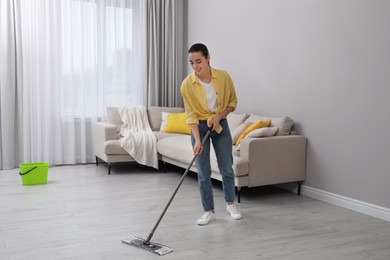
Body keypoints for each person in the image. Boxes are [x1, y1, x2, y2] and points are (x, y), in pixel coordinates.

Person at [180, 43, 242, 225]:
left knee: (226, 168)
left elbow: (232, 102)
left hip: (220, 126)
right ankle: (209, 211)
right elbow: (190, 115)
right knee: (203, 171)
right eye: (191, 63)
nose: (195, 66)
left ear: (208, 58)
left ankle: (231, 203)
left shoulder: (223, 77)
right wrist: (197, 141)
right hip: (199, 128)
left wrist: (219, 116)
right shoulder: (187, 85)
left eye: (198, 61)